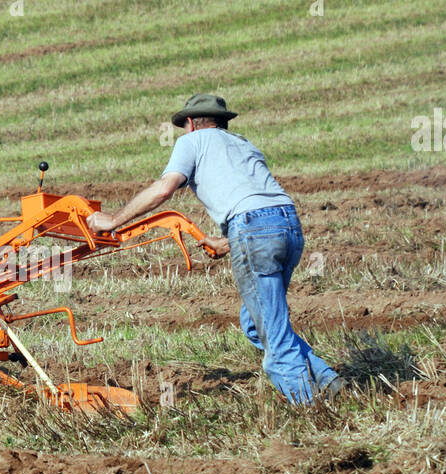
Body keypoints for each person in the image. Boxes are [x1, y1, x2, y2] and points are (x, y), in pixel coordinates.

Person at [86, 93, 342, 403]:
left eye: (184, 126)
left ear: (191, 124)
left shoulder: (191, 143)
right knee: (255, 323)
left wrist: (113, 220)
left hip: (253, 228)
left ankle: (311, 408)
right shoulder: (243, 143)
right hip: (288, 224)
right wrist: (231, 240)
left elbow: (165, 188)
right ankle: (327, 380)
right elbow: (258, 204)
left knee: (274, 337)